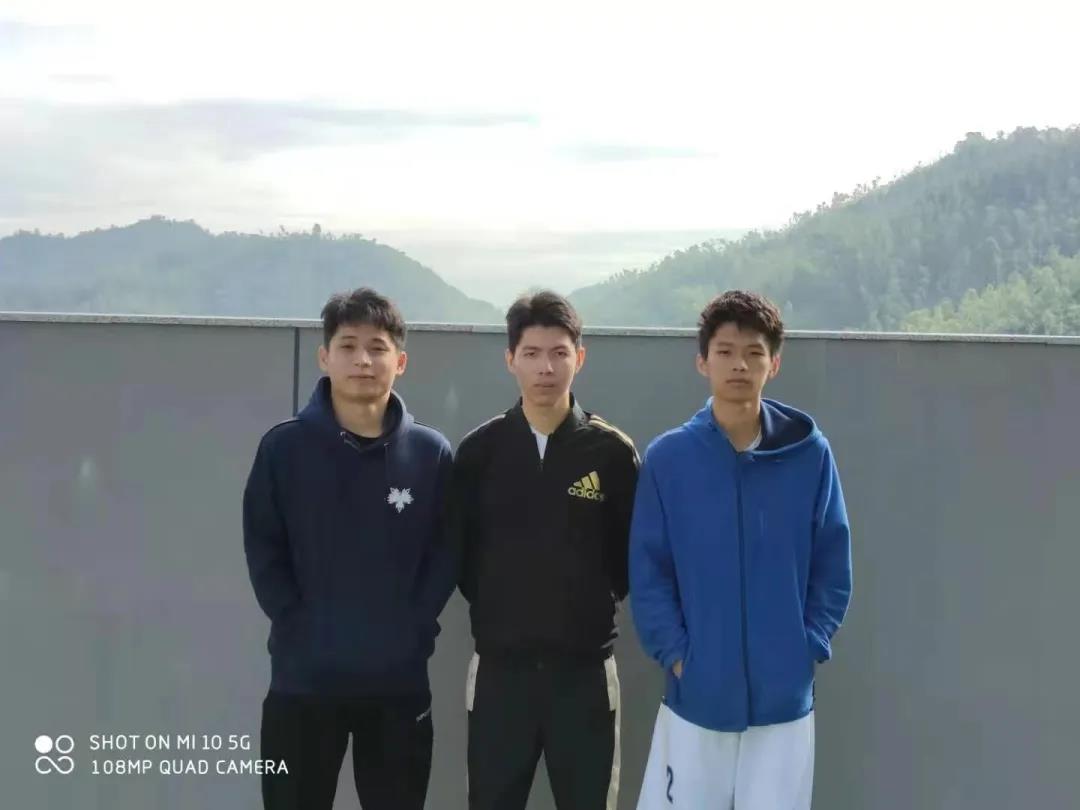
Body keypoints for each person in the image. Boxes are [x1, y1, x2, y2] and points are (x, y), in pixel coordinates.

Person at [630, 290, 853, 809]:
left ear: (774, 364)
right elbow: (649, 570)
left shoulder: (809, 456)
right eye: (725, 352)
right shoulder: (670, 459)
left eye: (754, 353)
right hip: (697, 697)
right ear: (702, 362)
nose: (739, 365)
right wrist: (677, 656)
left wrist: (807, 646)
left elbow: (832, 560)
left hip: (783, 702)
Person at [242, 287, 454, 810]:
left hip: (398, 685)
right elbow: (264, 547)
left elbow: (447, 552)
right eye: (348, 345)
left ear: (400, 361)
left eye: (378, 347)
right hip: (302, 684)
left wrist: (414, 627)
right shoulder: (283, 448)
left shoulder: (430, 453)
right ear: (324, 356)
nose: (363, 360)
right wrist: (297, 625)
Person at [450, 290, 639, 810]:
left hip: (584, 676)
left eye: (559, 353)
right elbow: (462, 559)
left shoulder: (612, 452)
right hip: (500, 676)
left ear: (580, 357)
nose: (546, 368)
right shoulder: (479, 453)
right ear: (510, 359)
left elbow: (628, 560)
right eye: (531, 353)